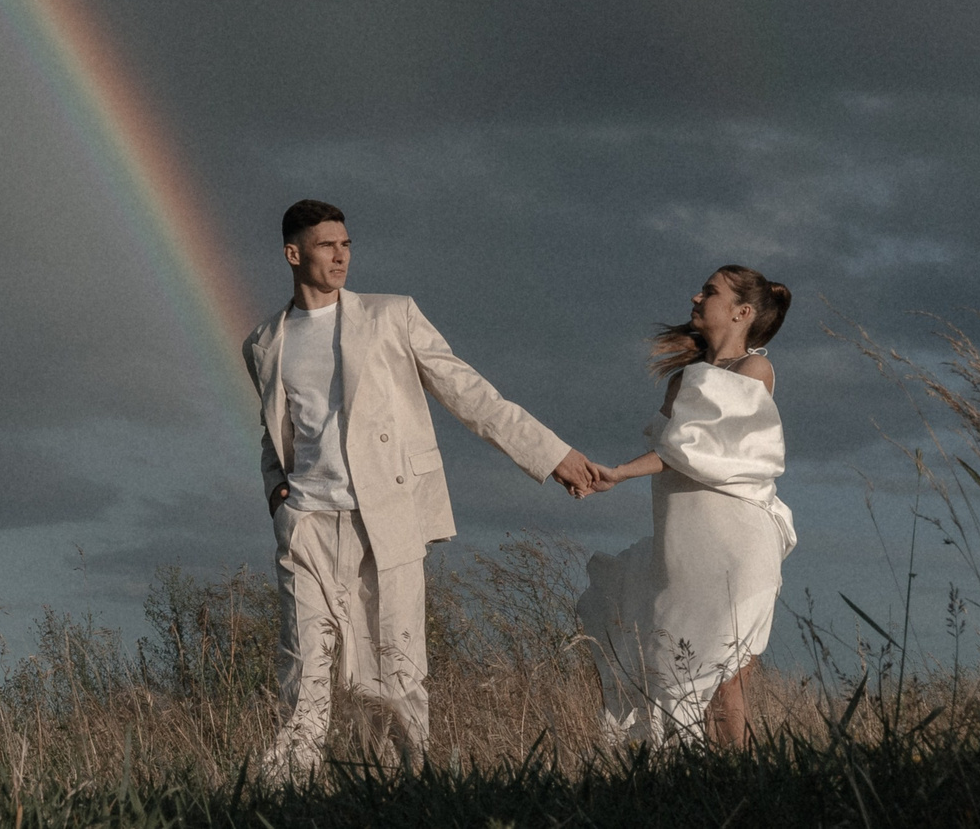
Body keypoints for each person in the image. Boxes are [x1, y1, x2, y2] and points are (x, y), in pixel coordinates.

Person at [243, 199, 606, 776]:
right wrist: (275, 494)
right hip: (307, 524)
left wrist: (550, 453)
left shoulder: (391, 315)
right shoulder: (265, 341)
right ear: (293, 254)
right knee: (302, 675)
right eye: (326, 245)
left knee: (393, 673)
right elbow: (275, 435)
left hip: (382, 519)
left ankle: (404, 789)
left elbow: (470, 393)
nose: (341, 255)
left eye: (347, 244)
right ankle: (287, 794)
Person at [575, 265, 795, 748]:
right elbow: (675, 454)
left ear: (743, 312)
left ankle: (734, 786)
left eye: (710, 292)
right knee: (673, 667)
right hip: (683, 550)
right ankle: (687, 786)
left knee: (725, 677)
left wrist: (617, 473)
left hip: (735, 548)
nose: (696, 297)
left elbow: (693, 451)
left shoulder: (753, 370)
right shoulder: (684, 380)